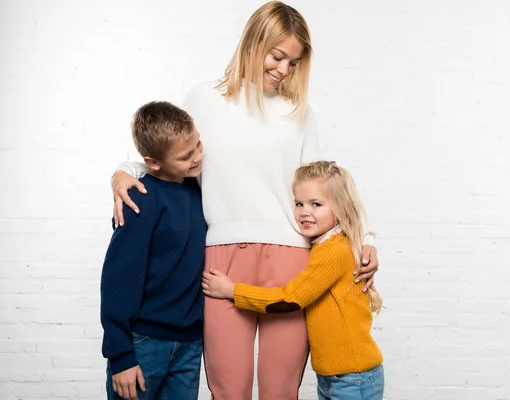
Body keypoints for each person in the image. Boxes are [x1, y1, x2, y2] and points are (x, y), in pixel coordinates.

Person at [110, 2, 380, 399]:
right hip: (221, 259)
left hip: (291, 259)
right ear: (254, 43)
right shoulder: (204, 98)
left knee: (280, 391)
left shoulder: (300, 112)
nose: (284, 70)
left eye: (294, 62)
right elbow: (173, 153)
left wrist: (366, 237)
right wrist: (126, 170)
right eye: (278, 56)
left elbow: (325, 187)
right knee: (228, 389)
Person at [202, 161, 385, 400]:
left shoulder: (334, 250)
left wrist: (232, 290)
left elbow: (291, 298)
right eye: (299, 203)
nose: (304, 212)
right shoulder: (323, 244)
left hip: (352, 379)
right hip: (335, 378)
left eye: (316, 204)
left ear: (341, 208)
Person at [100, 101, 206, 400]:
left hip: (189, 343)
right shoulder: (139, 199)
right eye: (186, 156)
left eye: (198, 145)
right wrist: (121, 354)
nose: (197, 157)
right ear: (154, 162)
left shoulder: (202, 190)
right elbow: (118, 279)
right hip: (143, 343)